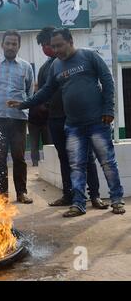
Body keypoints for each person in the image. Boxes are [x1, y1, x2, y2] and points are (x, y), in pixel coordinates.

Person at [7, 28, 125, 217]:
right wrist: (24, 104)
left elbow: (107, 81)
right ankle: (78, 204)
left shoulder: (89, 56)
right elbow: (46, 91)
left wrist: (108, 109)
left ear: (70, 40)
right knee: (76, 165)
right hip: (73, 125)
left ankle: (117, 200)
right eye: (53, 46)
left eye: (59, 45)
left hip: (97, 121)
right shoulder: (56, 66)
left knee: (107, 162)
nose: (56, 50)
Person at [35, 27, 108, 209]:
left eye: (50, 45)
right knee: (64, 158)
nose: (48, 48)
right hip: (56, 119)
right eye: (44, 46)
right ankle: (69, 195)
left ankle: (95, 196)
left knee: (87, 157)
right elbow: (43, 93)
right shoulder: (46, 69)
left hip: (77, 119)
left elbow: (101, 83)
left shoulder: (81, 60)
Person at [0, 30, 34, 204]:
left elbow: (30, 93)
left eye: (14, 44)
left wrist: (24, 107)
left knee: (19, 157)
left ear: (19, 46)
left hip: (19, 119)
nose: (11, 47)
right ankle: (2, 195)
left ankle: (21, 192)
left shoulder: (26, 67)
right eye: (8, 43)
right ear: (2, 45)